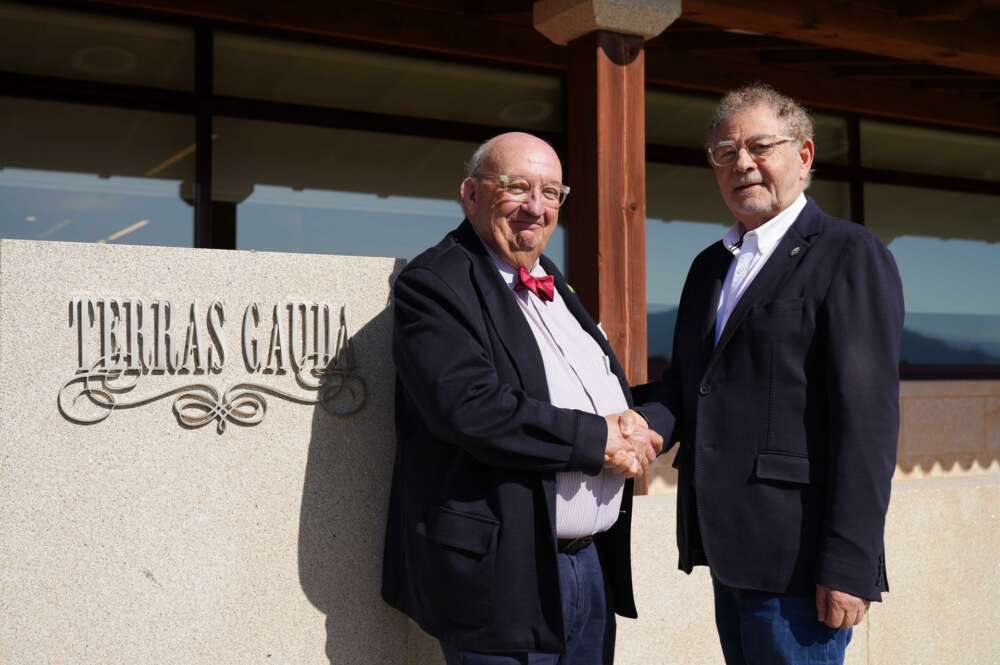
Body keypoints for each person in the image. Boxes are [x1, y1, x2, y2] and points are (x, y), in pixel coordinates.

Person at [635, 83, 904, 665]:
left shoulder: (849, 253)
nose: (743, 165)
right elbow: (688, 387)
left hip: (801, 564)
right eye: (726, 153)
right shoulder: (709, 267)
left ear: (803, 156)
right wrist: (628, 425)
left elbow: (868, 424)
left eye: (760, 147)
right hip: (728, 547)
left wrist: (850, 563)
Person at [382, 131, 663, 665]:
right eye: (517, 188)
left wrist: (637, 423)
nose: (536, 208)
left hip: (589, 565)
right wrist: (602, 438)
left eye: (552, 193)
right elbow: (472, 408)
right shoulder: (435, 282)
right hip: (504, 576)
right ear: (470, 194)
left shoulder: (550, 278)